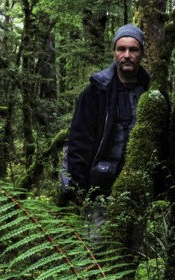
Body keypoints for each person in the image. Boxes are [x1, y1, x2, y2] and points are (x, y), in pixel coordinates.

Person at [60, 23, 150, 207]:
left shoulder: (150, 93)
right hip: (99, 190)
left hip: (141, 191)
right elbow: (78, 142)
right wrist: (77, 186)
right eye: (121, 49)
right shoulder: (95, 93)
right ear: (114, 53)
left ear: (141, 53)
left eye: (133, 50)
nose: (127, 55)